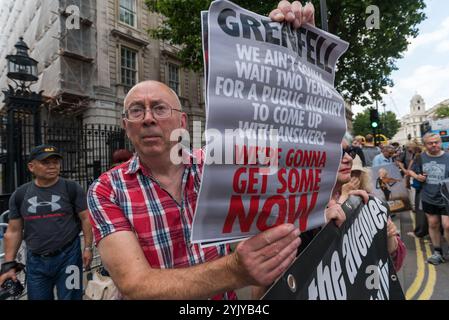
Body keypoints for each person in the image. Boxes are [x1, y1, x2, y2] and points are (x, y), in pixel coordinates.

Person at [0, 145, 93, 300]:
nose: (52, 166)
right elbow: (13, 231)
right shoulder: (20, 195)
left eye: (55, 162)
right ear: (31, 166)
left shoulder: (72, 188)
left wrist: (88, 247)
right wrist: (8, 265)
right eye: (45, 162)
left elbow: (86, 218)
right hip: (36, 262)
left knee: (73, 297)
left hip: (70, 258)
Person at [409, 133, 449, 265]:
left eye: (436, 142)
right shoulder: (421, 157)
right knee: (433, 224)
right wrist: (417, 176)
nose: (434, 145)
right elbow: (411, 171)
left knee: (447, 225)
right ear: (425, 145)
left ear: (440, 142)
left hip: (446, 197)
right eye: (430, 143)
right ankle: (438, 252)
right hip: (428, 196)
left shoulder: (447, 156)